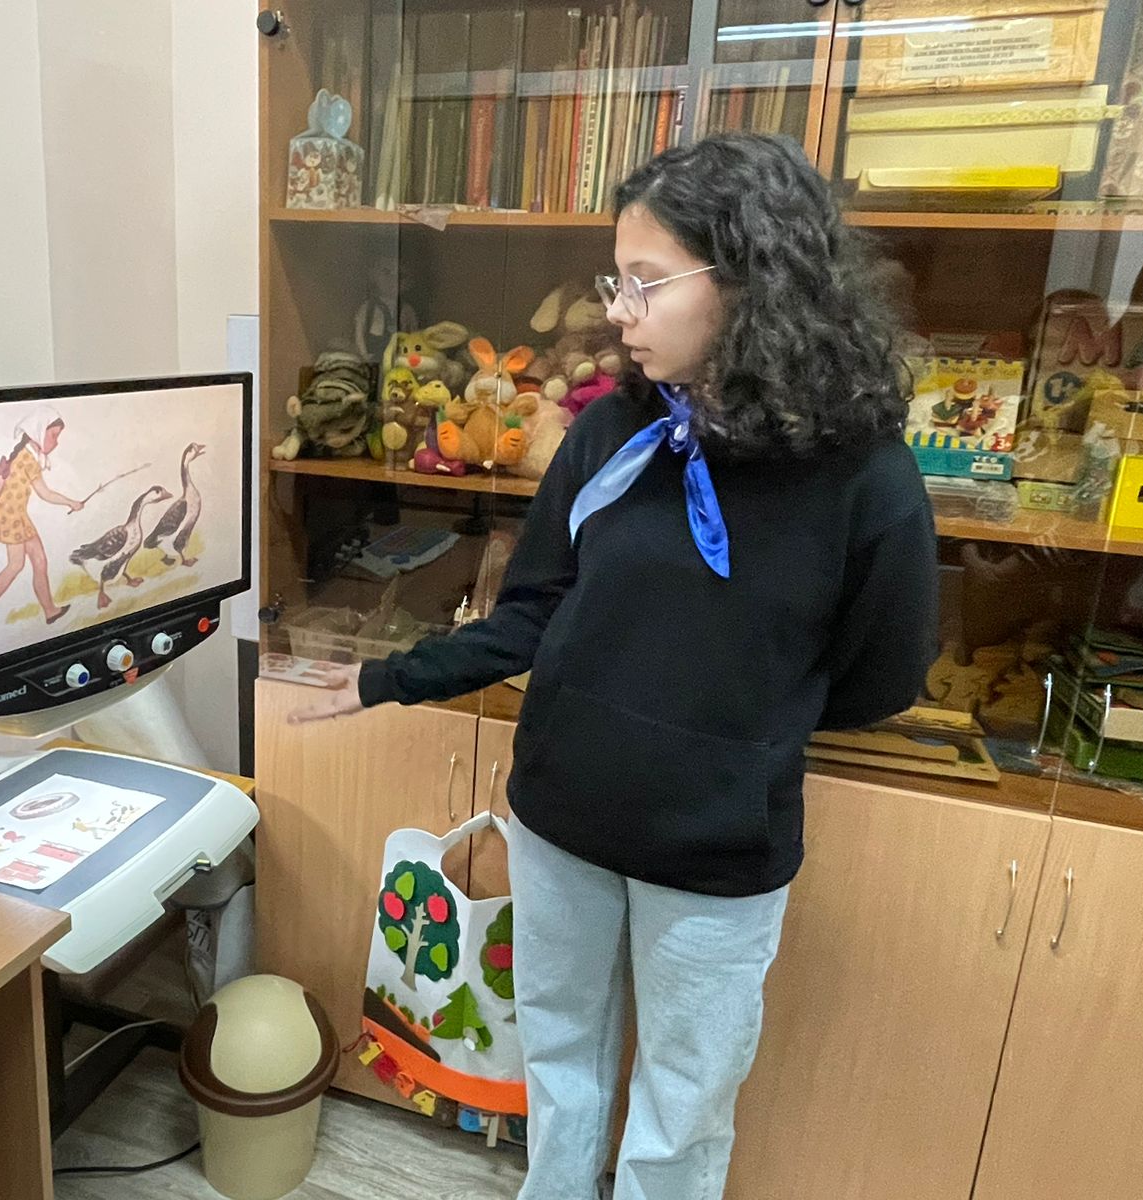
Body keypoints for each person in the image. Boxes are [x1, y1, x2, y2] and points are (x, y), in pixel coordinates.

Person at [291, 133, 938, 1200]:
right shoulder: (612, 437)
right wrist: (379, 679)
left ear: (749, 282)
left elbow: (880, 681)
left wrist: (731, 737)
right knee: (557, 1060)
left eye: (646, 282)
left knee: (683, 1104)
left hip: (716, 856)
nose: (619, 313)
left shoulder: (866, 480)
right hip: (561, 822)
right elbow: (532, 614)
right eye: (615, 281)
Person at [0, 405, 85, 636]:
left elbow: (0, 486)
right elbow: (45, 493)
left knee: (39, 560)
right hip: (13, 518)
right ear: (38, 431)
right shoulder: (27, 460)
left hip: (17, 516)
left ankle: (50, 610)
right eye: (53, 435)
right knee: (16, 565)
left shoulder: (25, 456)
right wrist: (71, 502)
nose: (56, 442)